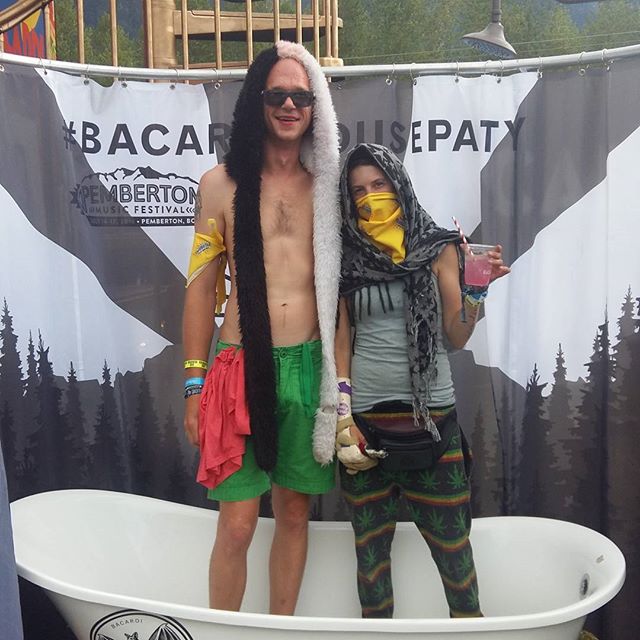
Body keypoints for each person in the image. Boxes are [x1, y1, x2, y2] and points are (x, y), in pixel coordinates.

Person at [182, 41, 341, 615]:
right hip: (237, 368)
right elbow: (200, 287)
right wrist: (194, 384)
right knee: (238, 524)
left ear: (316, 106)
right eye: (277, 95)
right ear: (257, 101)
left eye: (301, 95)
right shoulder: (218, 185)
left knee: (293, 514)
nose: (290, 106)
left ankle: (281, 628)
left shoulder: (330, 187)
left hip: (307, 365)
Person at [334, 143, 510, 619]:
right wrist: (343, 416)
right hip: (365, 427)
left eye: (378, 184)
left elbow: (456, 335)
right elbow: (342, 338)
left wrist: (475, 292)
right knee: (370, 560)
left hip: (432, 421)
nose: (369, 197)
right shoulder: (346, 253)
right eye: (358, 191)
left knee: (455, 555)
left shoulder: (438, 246)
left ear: (399, 184)